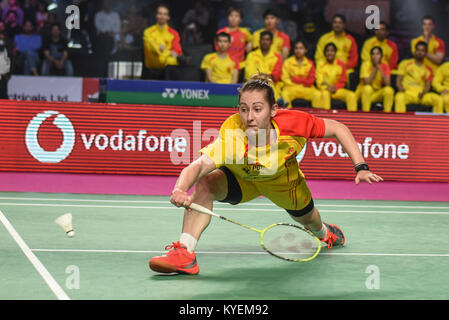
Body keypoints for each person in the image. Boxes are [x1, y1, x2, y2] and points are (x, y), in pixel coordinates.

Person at [149, 73, 383, 275]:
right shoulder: (233, 133)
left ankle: (325, 234)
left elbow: (339, 129)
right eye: (243, 109)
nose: (249, 116)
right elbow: (198, 166)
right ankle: (185, 252)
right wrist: (180, 189)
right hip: (243, 180)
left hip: (284, 185)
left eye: (257, 109)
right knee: (206, 182)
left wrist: (360, 166)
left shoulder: (293, 123)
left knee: (311, 221)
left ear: (273, 110)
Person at [395, 41, 443, 113]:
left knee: (438, 100)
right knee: (399, 97)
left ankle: (438, 123)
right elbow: (398, 80)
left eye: (422, 50)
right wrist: (401, 89)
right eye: (418, 50)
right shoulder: (405, 63)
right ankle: (401, 123)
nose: (420, 52)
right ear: (415, 51)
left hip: (422, 95)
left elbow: (428, 85)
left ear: (425, 53)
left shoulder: (429, 69)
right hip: (408, 93)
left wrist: (424, 93)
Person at [142, 4, 183, 79]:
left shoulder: (174, 33)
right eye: (160, 13)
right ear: (156, 16)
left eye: (165, 14)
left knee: (173, 63)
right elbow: (152, 48)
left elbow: (177, 53)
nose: (162, 16)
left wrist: (163, 50)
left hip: (168, 70)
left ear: (168, 17)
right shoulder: (148, 32)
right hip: (151, 70)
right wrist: (168, 52)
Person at [241, 30, 283, 102]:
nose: (265, 42)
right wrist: (265, 76)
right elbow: (248, 73)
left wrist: (261, 76)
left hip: (270, 84)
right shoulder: (251, 55)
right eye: (263, 39)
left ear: (271, 42)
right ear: (259, 41)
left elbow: (276, 75)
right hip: (253, 83)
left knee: (272, 95)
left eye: (267, 40)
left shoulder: (277, 57)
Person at [315, 14, 358, 81]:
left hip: (345, 68)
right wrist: (325, 66)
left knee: (350, 75)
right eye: (335, 22)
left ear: (344, 25)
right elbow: (319, 57)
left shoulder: (350, 40)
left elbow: (354, 60)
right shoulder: (324, 38)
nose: (337, 25)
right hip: (327, 67)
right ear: (332, 24)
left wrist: (343, 67)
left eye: (340, 23)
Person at [316, 42, 357, 111]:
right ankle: (326, 118)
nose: (329, 53)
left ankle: (353, 119)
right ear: (324, 53)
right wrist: (327, 87)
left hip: (337, 90)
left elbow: (343, 81)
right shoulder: (320, 64)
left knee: (351, 95)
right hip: (325, 90)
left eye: (332, 51)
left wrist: (334, 87)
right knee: (325, 94)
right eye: (327, 51)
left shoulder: (341, 64)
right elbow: (319, 82)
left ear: (335, 52)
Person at [280, 40, 321, 109]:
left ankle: (316, 117)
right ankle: (287, 116)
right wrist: (303, 81)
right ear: (293, 50)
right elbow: (285, 78)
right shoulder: (288, 62)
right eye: (296, 48)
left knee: (317, 94)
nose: (298, 50)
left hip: (306, 88)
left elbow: (311, 80)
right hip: (292, 88)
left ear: (305, 50)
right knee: (284, 94)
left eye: (301, 48)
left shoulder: (310, 63)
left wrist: (294, 79)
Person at [355, 46, 394, 112]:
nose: (375, 56)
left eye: (377, 54)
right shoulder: (365, 65)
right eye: (373, 54)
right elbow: (367, 82)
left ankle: (387, 115)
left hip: (376, 94)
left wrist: (380, 68)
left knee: (389, 90)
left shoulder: (385, 66)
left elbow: (388, 83)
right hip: (363, 93)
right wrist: (375, 68)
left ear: (381, 56)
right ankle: (366, 114)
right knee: (367, 88)